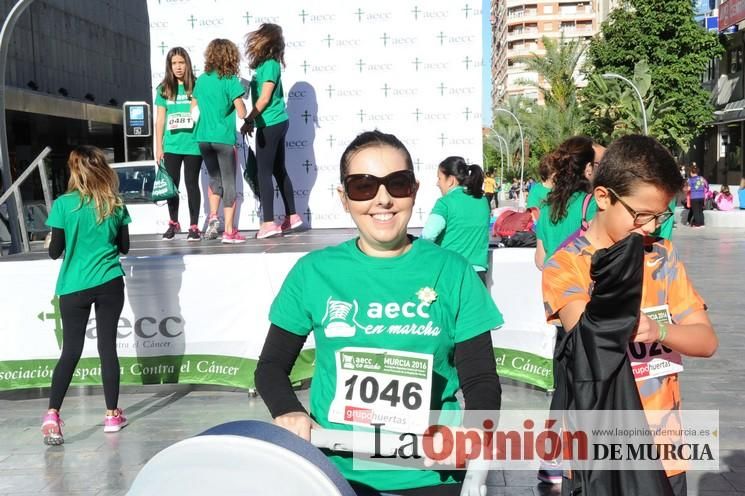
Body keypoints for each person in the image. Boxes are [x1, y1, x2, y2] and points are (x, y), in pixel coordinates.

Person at [254, 131, 503, 495]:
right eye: (363, 186)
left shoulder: (453, 271)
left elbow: (481, 380)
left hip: (431, 476)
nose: (382, 200)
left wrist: (471, 434)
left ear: (414, 190)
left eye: (397, 184)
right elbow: (271, 367)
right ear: (344, 197)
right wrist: (288, 411)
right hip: (337, 475)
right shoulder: (313, 272)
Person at [542, 135, 718, 495]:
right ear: (604, 198)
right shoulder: (566, 265)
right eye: (642, 215)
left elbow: (706, 341)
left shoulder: (662, 257)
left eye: (661, 215)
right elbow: (587, 333)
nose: (651, 227)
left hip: (665, 454)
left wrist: (660, 331)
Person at [41, 146, 131, 445]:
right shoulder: (114, 203)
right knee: (107, 347)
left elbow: (55, 252)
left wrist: (51, 241)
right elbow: (124, 247)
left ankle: (53, 414)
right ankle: (111, 414)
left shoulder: (63, 205)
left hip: (73, 285)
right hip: (108, 281)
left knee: (71, 350)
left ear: (74, 170)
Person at [242, 23, 302, 239]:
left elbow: (265, 98)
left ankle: (268, 223)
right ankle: (292, 216)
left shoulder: (269, 65)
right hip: (275, 122)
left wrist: (249, 119)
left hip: (270, 123)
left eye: (258, 36)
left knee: (263, 172)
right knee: (278, 170)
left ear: (266, 40)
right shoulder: (270, 65)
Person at [192, 38, 248, 244]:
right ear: (231, 56)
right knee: (229, 182)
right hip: (223, 138)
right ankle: (229, 231)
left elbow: (193, 109)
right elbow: (242, 112)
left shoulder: (201, 80)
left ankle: (213, 216)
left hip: (203, 138)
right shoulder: (230, 80)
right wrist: (241, 110)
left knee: (214, 179)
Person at [154, 47, 203, 242]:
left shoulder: (197, 85)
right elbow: (159, 120)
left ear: (187, 64)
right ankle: (173, 223)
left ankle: (194, 226)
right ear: (169, 66)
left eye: (181, 62)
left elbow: (199, 112)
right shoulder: (164, 88)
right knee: (172, 186)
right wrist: (159, 147)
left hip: (193, 144)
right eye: (174, 63)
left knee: (191, 184)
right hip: (172, 146)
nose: (178, 67)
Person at [534, 136, 601, 271]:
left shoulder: (547, 206)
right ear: (588, 167)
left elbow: (540, 260)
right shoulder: (592, 203)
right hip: (579, 283)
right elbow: (599, 249)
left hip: (553, 284)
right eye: (598, 165)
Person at [421, 157, 490, 284]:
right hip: (478, 275)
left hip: (451, 272)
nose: (437, 183)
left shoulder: (445, 203)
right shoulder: (483, 201)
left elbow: (427, 236)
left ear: (451, 180)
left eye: (439, 178)